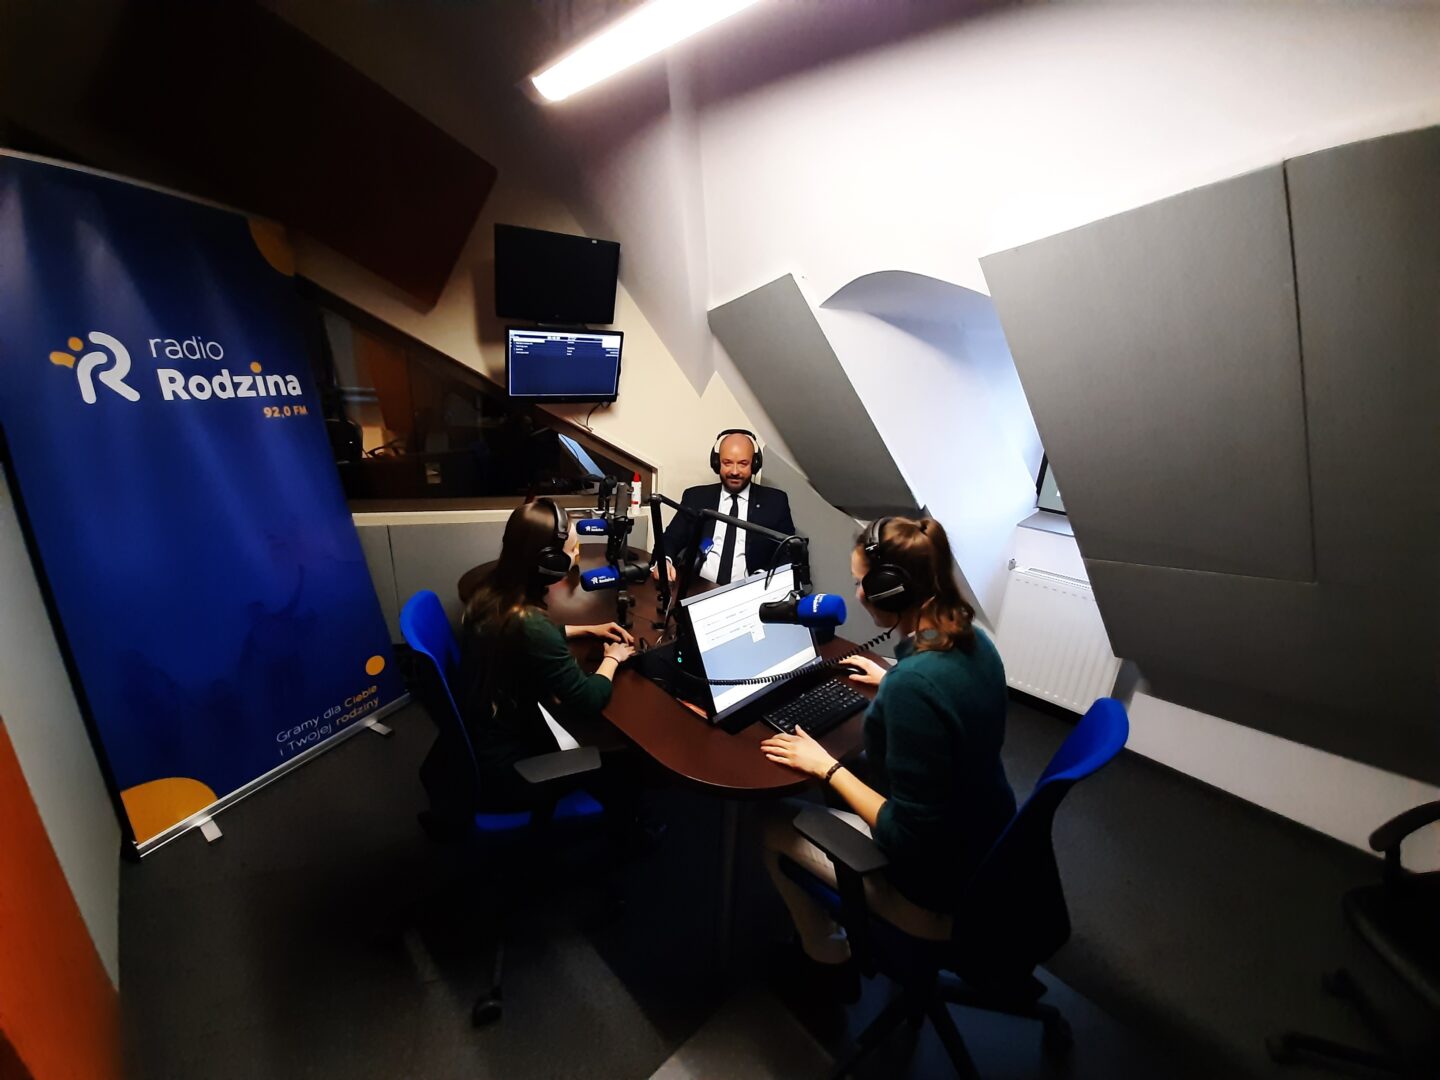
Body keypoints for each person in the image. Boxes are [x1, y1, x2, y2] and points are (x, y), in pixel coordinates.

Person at [757, 516, 1016, 995]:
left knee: (771, 823)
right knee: (849, 777)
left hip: (932, 892)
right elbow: (947, 696)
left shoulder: (912, 688)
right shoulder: (976, 640)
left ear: (891, 590)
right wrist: (893, 676)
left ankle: (827, 960)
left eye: (862, 584)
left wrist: (826, 767)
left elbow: (904, 835)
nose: (857, 594)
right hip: (988, 849)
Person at [451, 497, 636, 811]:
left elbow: (518, 640)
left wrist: (582, 629)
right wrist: (612, 658)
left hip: (491, 729)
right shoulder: (532, 625)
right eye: (572, 549)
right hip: (514, 768)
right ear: (550, 561)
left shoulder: (491, 592)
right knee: (624, 762)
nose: (577, 554)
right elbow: (589, 699)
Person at [654, 428, 796, 586]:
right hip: (699, 588)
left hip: (750, 591)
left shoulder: (775, 501)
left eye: (743, 464)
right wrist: (664, 561)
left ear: (755, 464)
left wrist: (762, 578)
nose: (734, 471)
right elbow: (671, 538)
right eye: (727, 463)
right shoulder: (696, 497)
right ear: (716, 463)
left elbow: (790, 551)